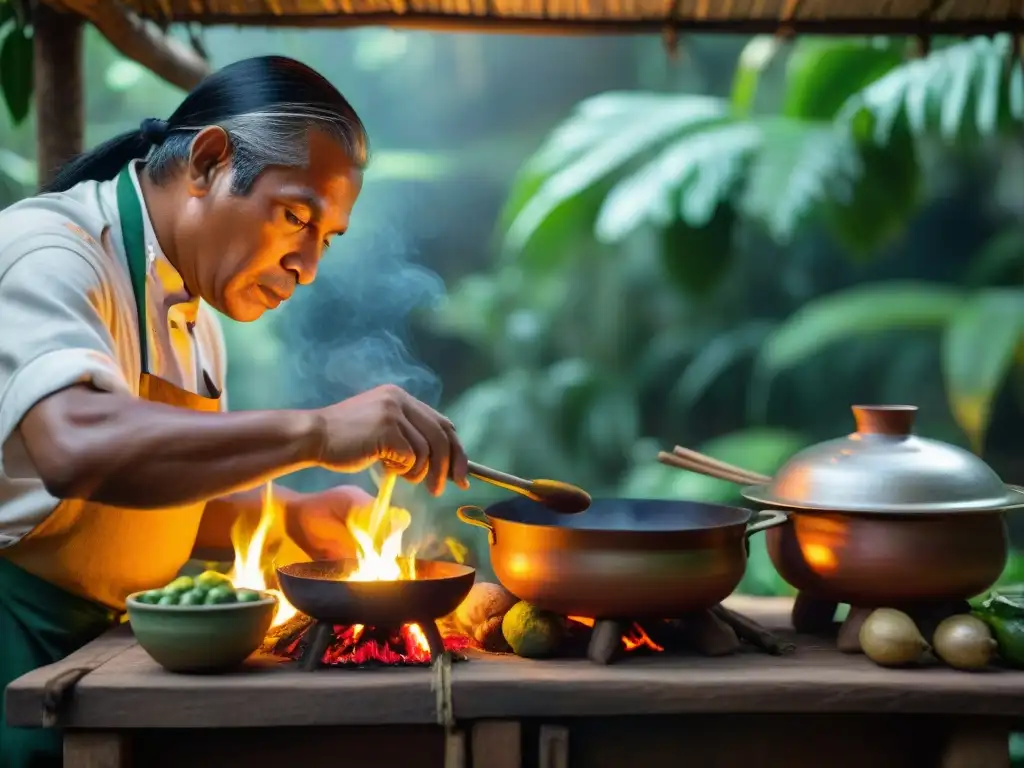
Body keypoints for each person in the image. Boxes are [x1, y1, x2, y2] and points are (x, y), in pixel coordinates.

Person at [0, 55, 469, 766]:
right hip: (15, 658)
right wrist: (316, 432)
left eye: (327, 238)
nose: (307, 265)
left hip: (106, 662)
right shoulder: (49, 253)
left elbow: (140, 498)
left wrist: (287, 515)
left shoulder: (200, 315)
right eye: (294, 216)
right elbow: (77, 448)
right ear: (210, 161)